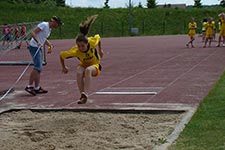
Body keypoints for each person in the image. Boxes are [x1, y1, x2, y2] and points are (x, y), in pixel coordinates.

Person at [59, 15, 103, 104]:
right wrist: (64, 67)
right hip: (83, 64)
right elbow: (61, 55)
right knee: (79, 71)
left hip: (95, 65)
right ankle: (82, 96)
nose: (80, 48)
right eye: (79, 46)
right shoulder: (75, 51)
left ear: (87, 44)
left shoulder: (92, 42)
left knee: (88, 70)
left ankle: (86, 93)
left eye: (82, 46)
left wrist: (100, 50)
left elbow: (98, 37)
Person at [25, 16, 63, 96]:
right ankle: (29, 86)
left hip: (39, 47)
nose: (58, 26)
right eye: (58, 24)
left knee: (39, 68)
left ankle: (36, 87)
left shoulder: (49, 29)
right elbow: (33, 32)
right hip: (34, 46)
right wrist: (38, 42)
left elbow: (43, 38)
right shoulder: (44, 25)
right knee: (37, 67)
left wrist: (48, 44)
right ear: (54, 22)